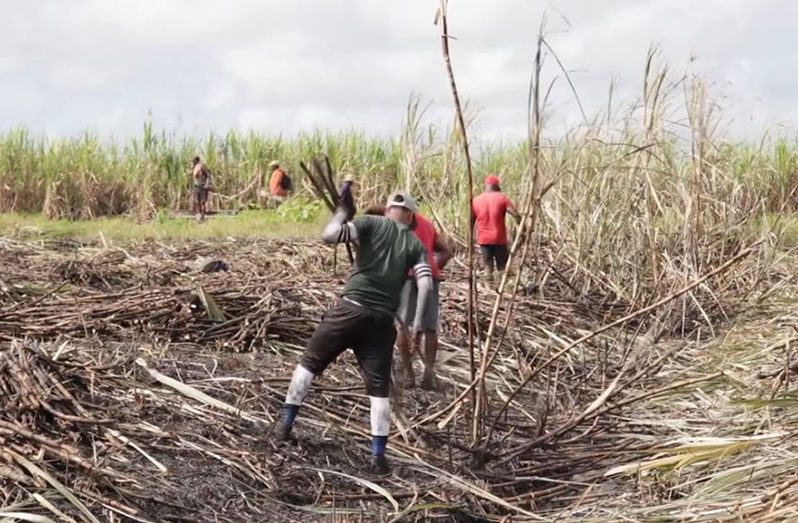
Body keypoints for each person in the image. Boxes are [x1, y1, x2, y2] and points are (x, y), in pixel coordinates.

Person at [274, 190, 433, 475]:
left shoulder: (370, 224)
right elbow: (426, 285)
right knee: (378, 392)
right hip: (382, 322)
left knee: (309, 364)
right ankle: (378, 457)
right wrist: (416, 323)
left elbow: (329, 236)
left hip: (349, 310)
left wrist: (340, 213)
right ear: (410, 217)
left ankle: (284, 425)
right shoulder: (414, 243)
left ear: (387, 210)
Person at [395, 204, 453, 390]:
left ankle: (409, 375)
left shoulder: (395, 223)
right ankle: (427, 376)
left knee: (402, 326)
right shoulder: (427, 224)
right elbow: (447, 251)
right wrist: (435, 266)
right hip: (429, 276)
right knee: (430, 328)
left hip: (408, 276)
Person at [471, 174, 520, 283]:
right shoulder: (502, 198)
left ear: (486, 186)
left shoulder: (476, 200)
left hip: (484, 240)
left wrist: (470, 238)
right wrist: (522, 226)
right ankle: (502, 291)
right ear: (497, 186)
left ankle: (489, 290)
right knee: (502, 268)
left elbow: (471, 221)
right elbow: (515, 214)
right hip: (499, 239)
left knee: (488, 268)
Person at [192, 156, 211, 222]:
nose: (192, 162)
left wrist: (207, 184)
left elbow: (208, 174)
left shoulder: (202, 166)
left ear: (197, 160)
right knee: (196, 201)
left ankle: (202, 216)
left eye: (193, 161)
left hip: (202, 186)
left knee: (202, 202)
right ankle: (198, 215)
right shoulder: (195, 167)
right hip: (196, 186)